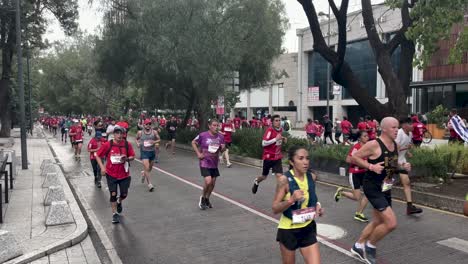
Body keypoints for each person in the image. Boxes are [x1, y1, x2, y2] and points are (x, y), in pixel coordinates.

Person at [350, 117, 409, 264]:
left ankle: (358, 246)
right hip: (373, 186)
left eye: (397, 127)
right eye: (393, 127)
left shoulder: (394, 145)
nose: (397, 130)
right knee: (391, 223)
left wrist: (402, 167)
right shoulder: (374, 145)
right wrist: (371, 167)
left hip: (386, 186)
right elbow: (354, 157)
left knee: (378, 220)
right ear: (384, 129)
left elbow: (391, 165)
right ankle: (370, 246)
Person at [272, 146, 324, 264]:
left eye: (307, 158)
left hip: (307, 227)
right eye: (300, 158)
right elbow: (275, 208)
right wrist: (291, 200)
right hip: (289, 230)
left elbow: (312, 197)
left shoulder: (312, 177)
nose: (305, 162)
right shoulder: (284, 180)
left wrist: (317, 205)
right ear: (291, 161)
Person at [96, 126, 135, 224]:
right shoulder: (108, 145)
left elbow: (132, 156)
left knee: (124, 194)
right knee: (113, 194)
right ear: (114, 134)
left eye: (121, 133)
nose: (119, 135)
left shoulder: (127, 145)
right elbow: (97, 155)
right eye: (117, 133)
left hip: (124, 175)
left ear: (123, 134)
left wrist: (127, 159)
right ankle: (114, 214)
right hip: (111, 174)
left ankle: (119, 201)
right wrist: (102, 168)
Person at [334, 131, 370, 222]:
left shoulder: (369, 147)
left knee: (368, 193)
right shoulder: (356, 147)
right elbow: (348, 159)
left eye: (367, 136)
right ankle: (341, 193)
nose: (367, 137)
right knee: (357, 197)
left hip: (365, 173)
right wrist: (361, 163)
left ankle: (359, 213)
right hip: (355, 173)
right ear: (359, 138)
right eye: (365, 136)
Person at [191, 119, 225, 210]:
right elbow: (193, 142)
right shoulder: (203, 135)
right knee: (208, 181)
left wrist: (223, 148)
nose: (216, 127)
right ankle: (202, 198)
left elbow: (222, 150)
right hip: (204, 161)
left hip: (214, 163)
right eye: (214, 125)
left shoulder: (221, 137)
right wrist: (198, 153)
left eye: (217, 125)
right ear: (209, 126)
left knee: (213, 183)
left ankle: (207, 198)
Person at [252, 115, 287, 194]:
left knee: (280, 177)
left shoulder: (280, 129)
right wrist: (275, 139)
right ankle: (256, 181)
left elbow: (278, 138)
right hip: (268, 157)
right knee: (264, 177)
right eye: (276, 121)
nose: (278, 122)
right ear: (272, 122)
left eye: (279, 120)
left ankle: (280, 196)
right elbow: (264, 143)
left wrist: (283, 138)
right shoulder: (270, 130)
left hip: (277, 157)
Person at [396, 117, 423, 215]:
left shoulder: (410, 134)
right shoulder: (399, 133)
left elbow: (405, 146)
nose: (413, 126)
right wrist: (400, 163)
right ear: (404, 125)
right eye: (410, 124)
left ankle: (409, 207)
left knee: (406, 183)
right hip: (392, 162)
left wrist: (408, 152)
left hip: (402, 161)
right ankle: (378, 199)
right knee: (387, 185)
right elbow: (394, 149)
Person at [136, 119, 160, 192]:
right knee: (146, 167)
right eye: (147, 124)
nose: (148, 125)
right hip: (144, 152)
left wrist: (154, 141)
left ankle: (144, 173)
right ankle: (149, 184)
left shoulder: (154, 132)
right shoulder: (140, 132)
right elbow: (136, 139)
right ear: (144, 125)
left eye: (149, 124)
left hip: (152, 152)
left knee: (149, 168)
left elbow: (159, 139)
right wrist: (137, 143)